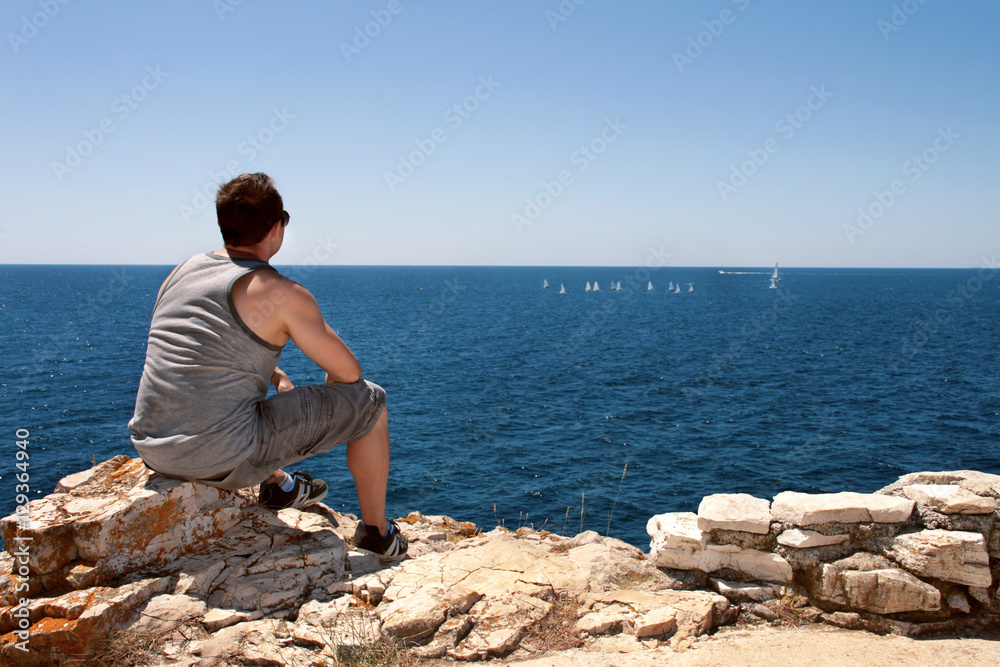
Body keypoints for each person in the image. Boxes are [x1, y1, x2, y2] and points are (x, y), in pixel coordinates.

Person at [128, 172, 406, 559]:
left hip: (153, 446)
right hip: (216, 457)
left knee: (242, 407)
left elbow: (193, 358)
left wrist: (269, 372)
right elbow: (349, 374)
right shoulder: (281, 293)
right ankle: (377, 532)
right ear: (277, 228)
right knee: (372, 401)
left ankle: (281, 486)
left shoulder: (183, 271)